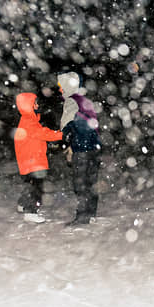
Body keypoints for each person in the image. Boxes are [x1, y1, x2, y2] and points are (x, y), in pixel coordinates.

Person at [57, 71, 102, 225]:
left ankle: (83, 216)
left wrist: (65, 143)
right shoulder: (85, 101)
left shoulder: (71, 102)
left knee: (81, 183)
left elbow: (68, 127)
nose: (59, 89)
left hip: (81, 148)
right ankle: (91, 212)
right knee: (91, 181)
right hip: (94, 147)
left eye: (61, 86)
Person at [14, 91, 63, 222]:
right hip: (32, 160)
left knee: (31, 184)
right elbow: (44, 133)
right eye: (34, 102)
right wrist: (61, 134)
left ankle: (23, 204)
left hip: (29, 159)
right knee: (35, 187)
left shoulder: (28, 119)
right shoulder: (29, 121)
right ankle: (30, 212)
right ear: (28, 105)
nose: (37, 104)